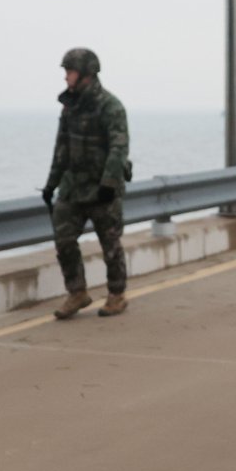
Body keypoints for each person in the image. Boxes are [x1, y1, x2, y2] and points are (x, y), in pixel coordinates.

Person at [42, 47, 133, 319]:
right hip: (73, 187)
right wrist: (51, 184)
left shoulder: (111, 106)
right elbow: (61, 148)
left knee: (110, 243)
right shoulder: (69, 107)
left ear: (85, 74)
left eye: (69, 71)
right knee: (64, 240)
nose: (66, 78)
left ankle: (116, 295)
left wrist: (108, 183)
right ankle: (77, 292)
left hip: (103, 187)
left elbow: (119, 148)